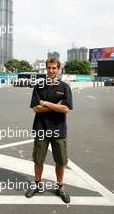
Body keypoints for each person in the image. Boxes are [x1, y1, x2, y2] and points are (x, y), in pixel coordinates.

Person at [25, 58, 73, 203]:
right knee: (38, 160)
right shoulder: (39, 86)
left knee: (60, 161)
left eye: (54, 68)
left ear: (59, 69)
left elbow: (65, 109)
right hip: (41, 129)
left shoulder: (64, 87)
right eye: (49, 68)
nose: (51, 71)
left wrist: (46, 103)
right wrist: (56, 106)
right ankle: (37, 185)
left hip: (59, 130)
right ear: (46, 69)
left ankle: (60, 188)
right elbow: (35, 108)